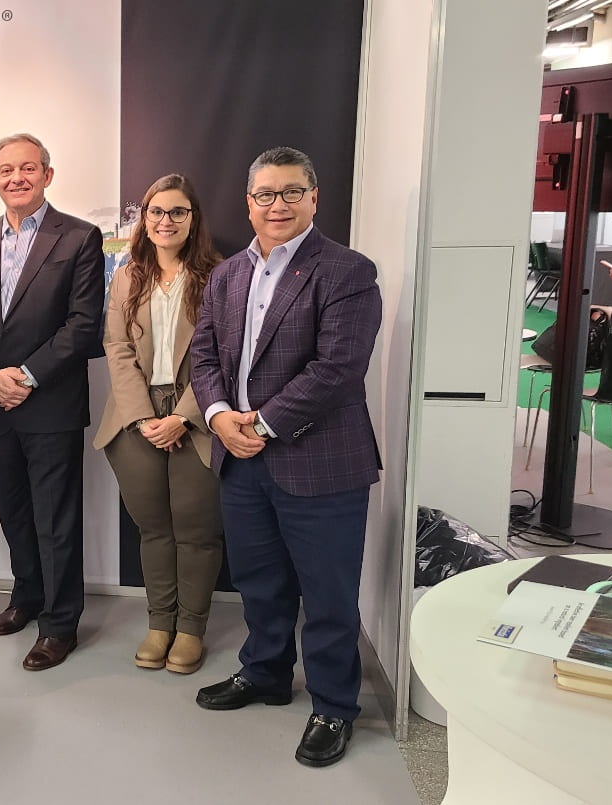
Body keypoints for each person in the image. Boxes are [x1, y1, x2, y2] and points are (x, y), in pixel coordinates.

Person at [188, 147, 382, 767]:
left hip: (321, 461)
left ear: (314, 197)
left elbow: (338, 368)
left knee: (328, 593)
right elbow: (203, 357)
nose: (278, 205)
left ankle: (333, 705)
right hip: (240, 458)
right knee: (259, 582)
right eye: (266, 194)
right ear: (248, 203)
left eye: (291, 192)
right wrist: (219, 416)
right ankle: (266, 672)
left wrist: (263, 424)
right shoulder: (226, 275)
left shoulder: (347, 271)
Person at [0, 133, 104, 671]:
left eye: (28, 168)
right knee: (14, 510)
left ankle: (60, 624)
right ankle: (28, 595)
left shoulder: (80, 237)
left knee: (55, 519)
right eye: (6, 170)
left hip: (51, 403)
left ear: (47, 175)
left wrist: (27, 375)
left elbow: (83, 324)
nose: (16, 177)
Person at [93, 174, 223, 675]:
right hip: (136, 417)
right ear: (144, 220)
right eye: (156, 212)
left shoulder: (219, 276)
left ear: (193, 219)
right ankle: (159, 623)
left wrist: (183, 417)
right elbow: (117, 347)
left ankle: (190, 629)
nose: (166, 221)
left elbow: (225, 356)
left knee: (196, 530)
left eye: (177, 212)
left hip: (199, 415)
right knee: (153, 529)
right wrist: (145, 417)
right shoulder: (128, 276)